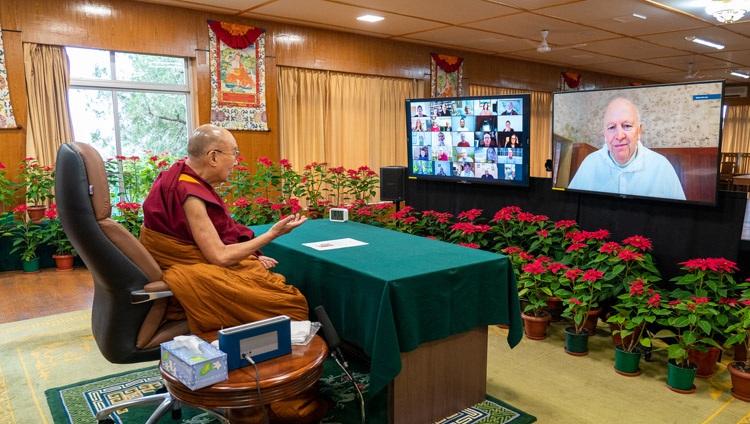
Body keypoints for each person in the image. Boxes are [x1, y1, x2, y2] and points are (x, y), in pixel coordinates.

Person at [140, 124, 329, 423]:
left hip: (192, 262)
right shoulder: (190, 194)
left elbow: (213, 239)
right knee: (288, 304)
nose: (237, 161)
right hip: (193, 270)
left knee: (262, 276)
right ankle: (283, 402)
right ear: (213, 156)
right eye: (235, 154)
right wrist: (272, 235)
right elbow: (218, 256)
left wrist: (251, 254)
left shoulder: (179, 173)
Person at [568, 98, 686, 200]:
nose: (619, 136)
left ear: (639, 130)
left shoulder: (661, 166)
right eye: (612, 127)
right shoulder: (590, 164)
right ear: (604, 133)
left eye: (627, 126)